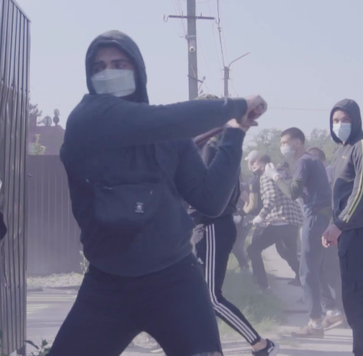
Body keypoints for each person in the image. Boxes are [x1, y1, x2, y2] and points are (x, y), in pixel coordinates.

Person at [52, 30, 269, 356]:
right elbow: (166, 118)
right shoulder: (87, 120)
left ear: (137, 71)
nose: (108, 72)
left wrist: (234, 135)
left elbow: (209, 200)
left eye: (119, 63)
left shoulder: (169, 136)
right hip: (107, 285)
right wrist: (236, 106)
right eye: (98, 67)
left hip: (175, 281)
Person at [189, 117, 279, 356]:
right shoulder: (214, 148)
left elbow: (206, 193)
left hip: (212, 226)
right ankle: (206, 348)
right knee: (197, 293)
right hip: (210, 225)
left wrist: (190, 220)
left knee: (211, 296)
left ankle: (260, 345)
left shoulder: (211, 148)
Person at [267, 129, 345, 337]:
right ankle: (332, 311)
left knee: (307, 271)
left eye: (286, 142)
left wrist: (274, 176)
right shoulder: (313, 161)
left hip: (315, 218)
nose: (283, 146)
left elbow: (293, 192)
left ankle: (315, 323)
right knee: (316, 268)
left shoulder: (303, 162)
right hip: (322, 217)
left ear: (298, 142)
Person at [322, 99, 363, 356]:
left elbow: (361, 190)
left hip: (360, 229)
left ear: (356, 120)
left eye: (345, 120)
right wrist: (331, 224)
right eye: (336, 120)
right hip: (348, 230)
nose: (340, 125)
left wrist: (340, 224)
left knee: (354, 296)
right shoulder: (342, 149)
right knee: (355, 296)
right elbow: (341, 195)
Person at [308, 147, 363, 313]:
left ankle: (349, 302)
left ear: (321, 160)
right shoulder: (333, 171)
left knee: (350, 260)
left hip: (351, 220)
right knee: (361, 258)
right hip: (353, 219)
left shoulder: (330, 172)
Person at [247, 155, 302, 292]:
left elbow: (272, 197)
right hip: (291, 221)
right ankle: (306, 281)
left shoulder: (265, 175)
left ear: (262, 163)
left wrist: (261, 216)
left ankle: (263, 286)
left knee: (253, 249)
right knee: (287, 253)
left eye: (254, 162)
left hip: (280, 222)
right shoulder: (277, 173)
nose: (252, 165)